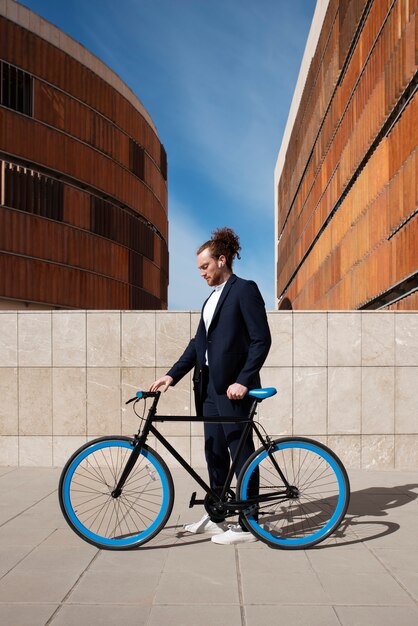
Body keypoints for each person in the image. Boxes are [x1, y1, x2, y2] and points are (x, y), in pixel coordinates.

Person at [149, 227, 271, 545]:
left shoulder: (244, 290)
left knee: (241, 454)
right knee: (215, 453)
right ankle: (219, 514)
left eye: (204, 267)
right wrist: (171, 375)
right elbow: (197, 345)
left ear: (221, 260)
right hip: (208, 391)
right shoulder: (210, 299)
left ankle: (249, 524)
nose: (201, 273)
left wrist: (243, 381)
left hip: (233, 389)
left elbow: (261, 340)